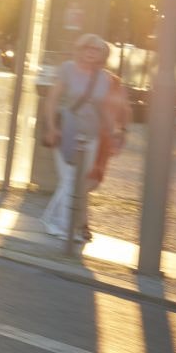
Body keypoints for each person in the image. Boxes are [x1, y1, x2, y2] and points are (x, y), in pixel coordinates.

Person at [40, 33, 128, 240]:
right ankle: (62, 226)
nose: (91, 52)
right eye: (87, 48)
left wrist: (114, 131)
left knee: (79, 182)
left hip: (92, 134)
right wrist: (52, 127)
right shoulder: (68, 69)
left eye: (96, 50)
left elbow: (103, 109)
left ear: (102, 54)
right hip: (67, 130)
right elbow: (52, 100)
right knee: (69, 179)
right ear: (80, 49)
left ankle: (56, 221)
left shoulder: (104, 79)